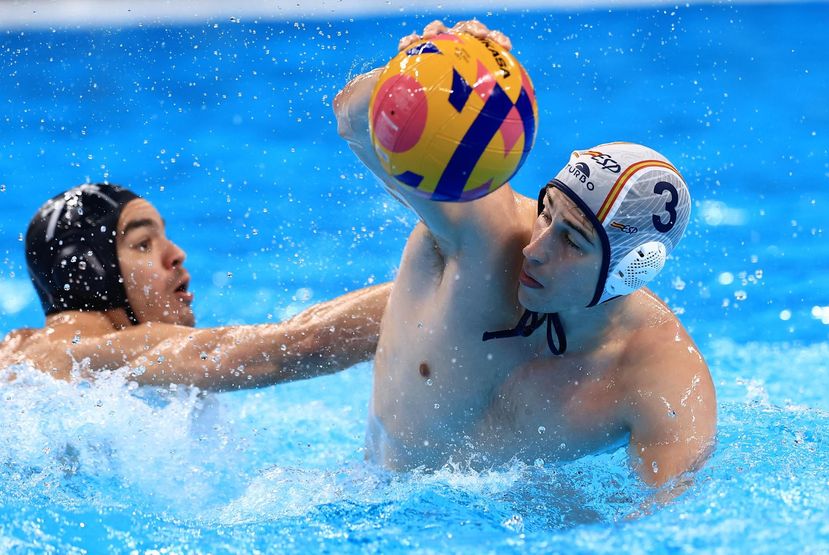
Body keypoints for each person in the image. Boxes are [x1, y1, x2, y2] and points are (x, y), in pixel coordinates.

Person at [334, 20, 716, 487]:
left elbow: (668, 526)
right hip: (370, 478)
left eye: (572, 240)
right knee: (264, 352)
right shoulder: (488, 235)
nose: (534, 249)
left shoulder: (662, 379)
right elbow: (351, 117)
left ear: (630, 270)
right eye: (545, 212)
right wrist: (412, 77)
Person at [0, 183, 391, 391]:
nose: (177, 255)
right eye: (143, 244)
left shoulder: (16, 350)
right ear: (92, 274)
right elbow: (303, 342)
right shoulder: (112, 355)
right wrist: (443, 273)